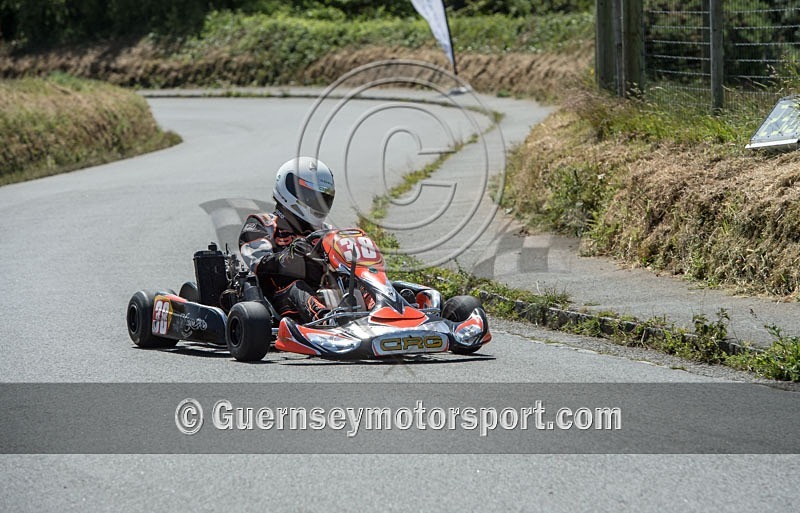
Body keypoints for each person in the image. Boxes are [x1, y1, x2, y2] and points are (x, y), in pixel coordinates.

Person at [238, 156, 335, 323]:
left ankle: (386, 310)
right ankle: (325, 321)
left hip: (324, 294)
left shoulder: (327, 231)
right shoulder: (261, 223)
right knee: (298, 287)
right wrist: (291, 255)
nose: (317, 203)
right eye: (311, 196)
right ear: (289, 190)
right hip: (278, 300)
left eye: (323, 198)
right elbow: (259, 264)